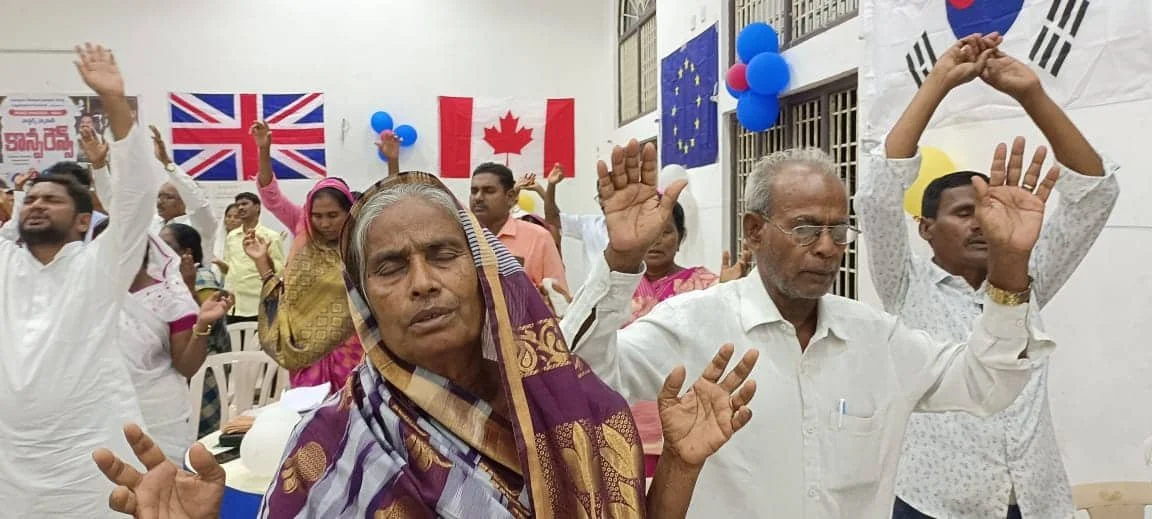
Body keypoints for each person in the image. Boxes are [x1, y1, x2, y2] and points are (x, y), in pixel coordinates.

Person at [92, 171, 760, 518]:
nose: (421, 283)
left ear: (483, 274)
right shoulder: (333, 443)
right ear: (364, 298)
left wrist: (679, 464)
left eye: (442, 254)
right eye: (390, 267)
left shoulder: (578, 410)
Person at [561, 139, 1060, 518]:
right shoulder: (694, 324)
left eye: (839, 230)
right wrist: (622, 259)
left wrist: (1011, 262)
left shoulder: (877, 339)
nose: (827, 247)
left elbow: (987, 383)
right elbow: (575, 379)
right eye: (805, 229)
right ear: (754, 232)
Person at [856, 34, 1120, 519]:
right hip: (934, 503)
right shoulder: (903, 285)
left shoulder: (1027, 275)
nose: (981, 222)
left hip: (1036, 499)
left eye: (989, 209)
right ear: (927, 228)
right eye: (963, 213)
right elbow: (876, 195)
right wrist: (937, 83)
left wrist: (1032, 96)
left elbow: (1095, 196)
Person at [0, 43, 163, 518]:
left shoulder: (99, 266)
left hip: (90, 453)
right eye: (31, 199)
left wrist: (114, 100)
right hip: (13, 462)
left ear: (82, 221)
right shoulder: (5, 265)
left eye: (52, 200)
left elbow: (136, 196)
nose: (36, 205)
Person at [245, 119, 363, 391]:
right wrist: (264, 151)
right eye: (317, 216)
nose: (324, 223)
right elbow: (271, 196)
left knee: (351, 415)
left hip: (354, 350)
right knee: (310, 417)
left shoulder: (362, 243)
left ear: (350, 212)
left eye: (333, 215)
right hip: (304, 349)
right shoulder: (303, 229)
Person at [118, 236, 235, 462]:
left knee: (160, 487)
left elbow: (186, 366)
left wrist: (203, 324)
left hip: (158, 415)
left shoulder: (170, 297)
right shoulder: (92, 295)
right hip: (103, 411)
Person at [161, 222, 233, 437]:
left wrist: (189, 287)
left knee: (196, 435)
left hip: (205, 365)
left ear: (186, 253)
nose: (158, 250)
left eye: (166, 245)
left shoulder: (203, 278)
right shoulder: (167, 279)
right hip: (182, 362)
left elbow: (203, 326)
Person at [470, 162, 567, 290]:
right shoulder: (460, 236)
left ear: (510, 197)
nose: (478, 198)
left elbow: (559, 298)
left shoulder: (539, 238)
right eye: (474, 191)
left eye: (488, 191)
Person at [221, 190, 285, 322]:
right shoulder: (232, 236)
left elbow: (279, 272)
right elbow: (230, 269)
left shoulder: (271, 236)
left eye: (244, 204)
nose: (240, 207)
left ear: (257, 207)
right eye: (238, 205)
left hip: (258, 305)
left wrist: (264, 256)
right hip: (233, 305)